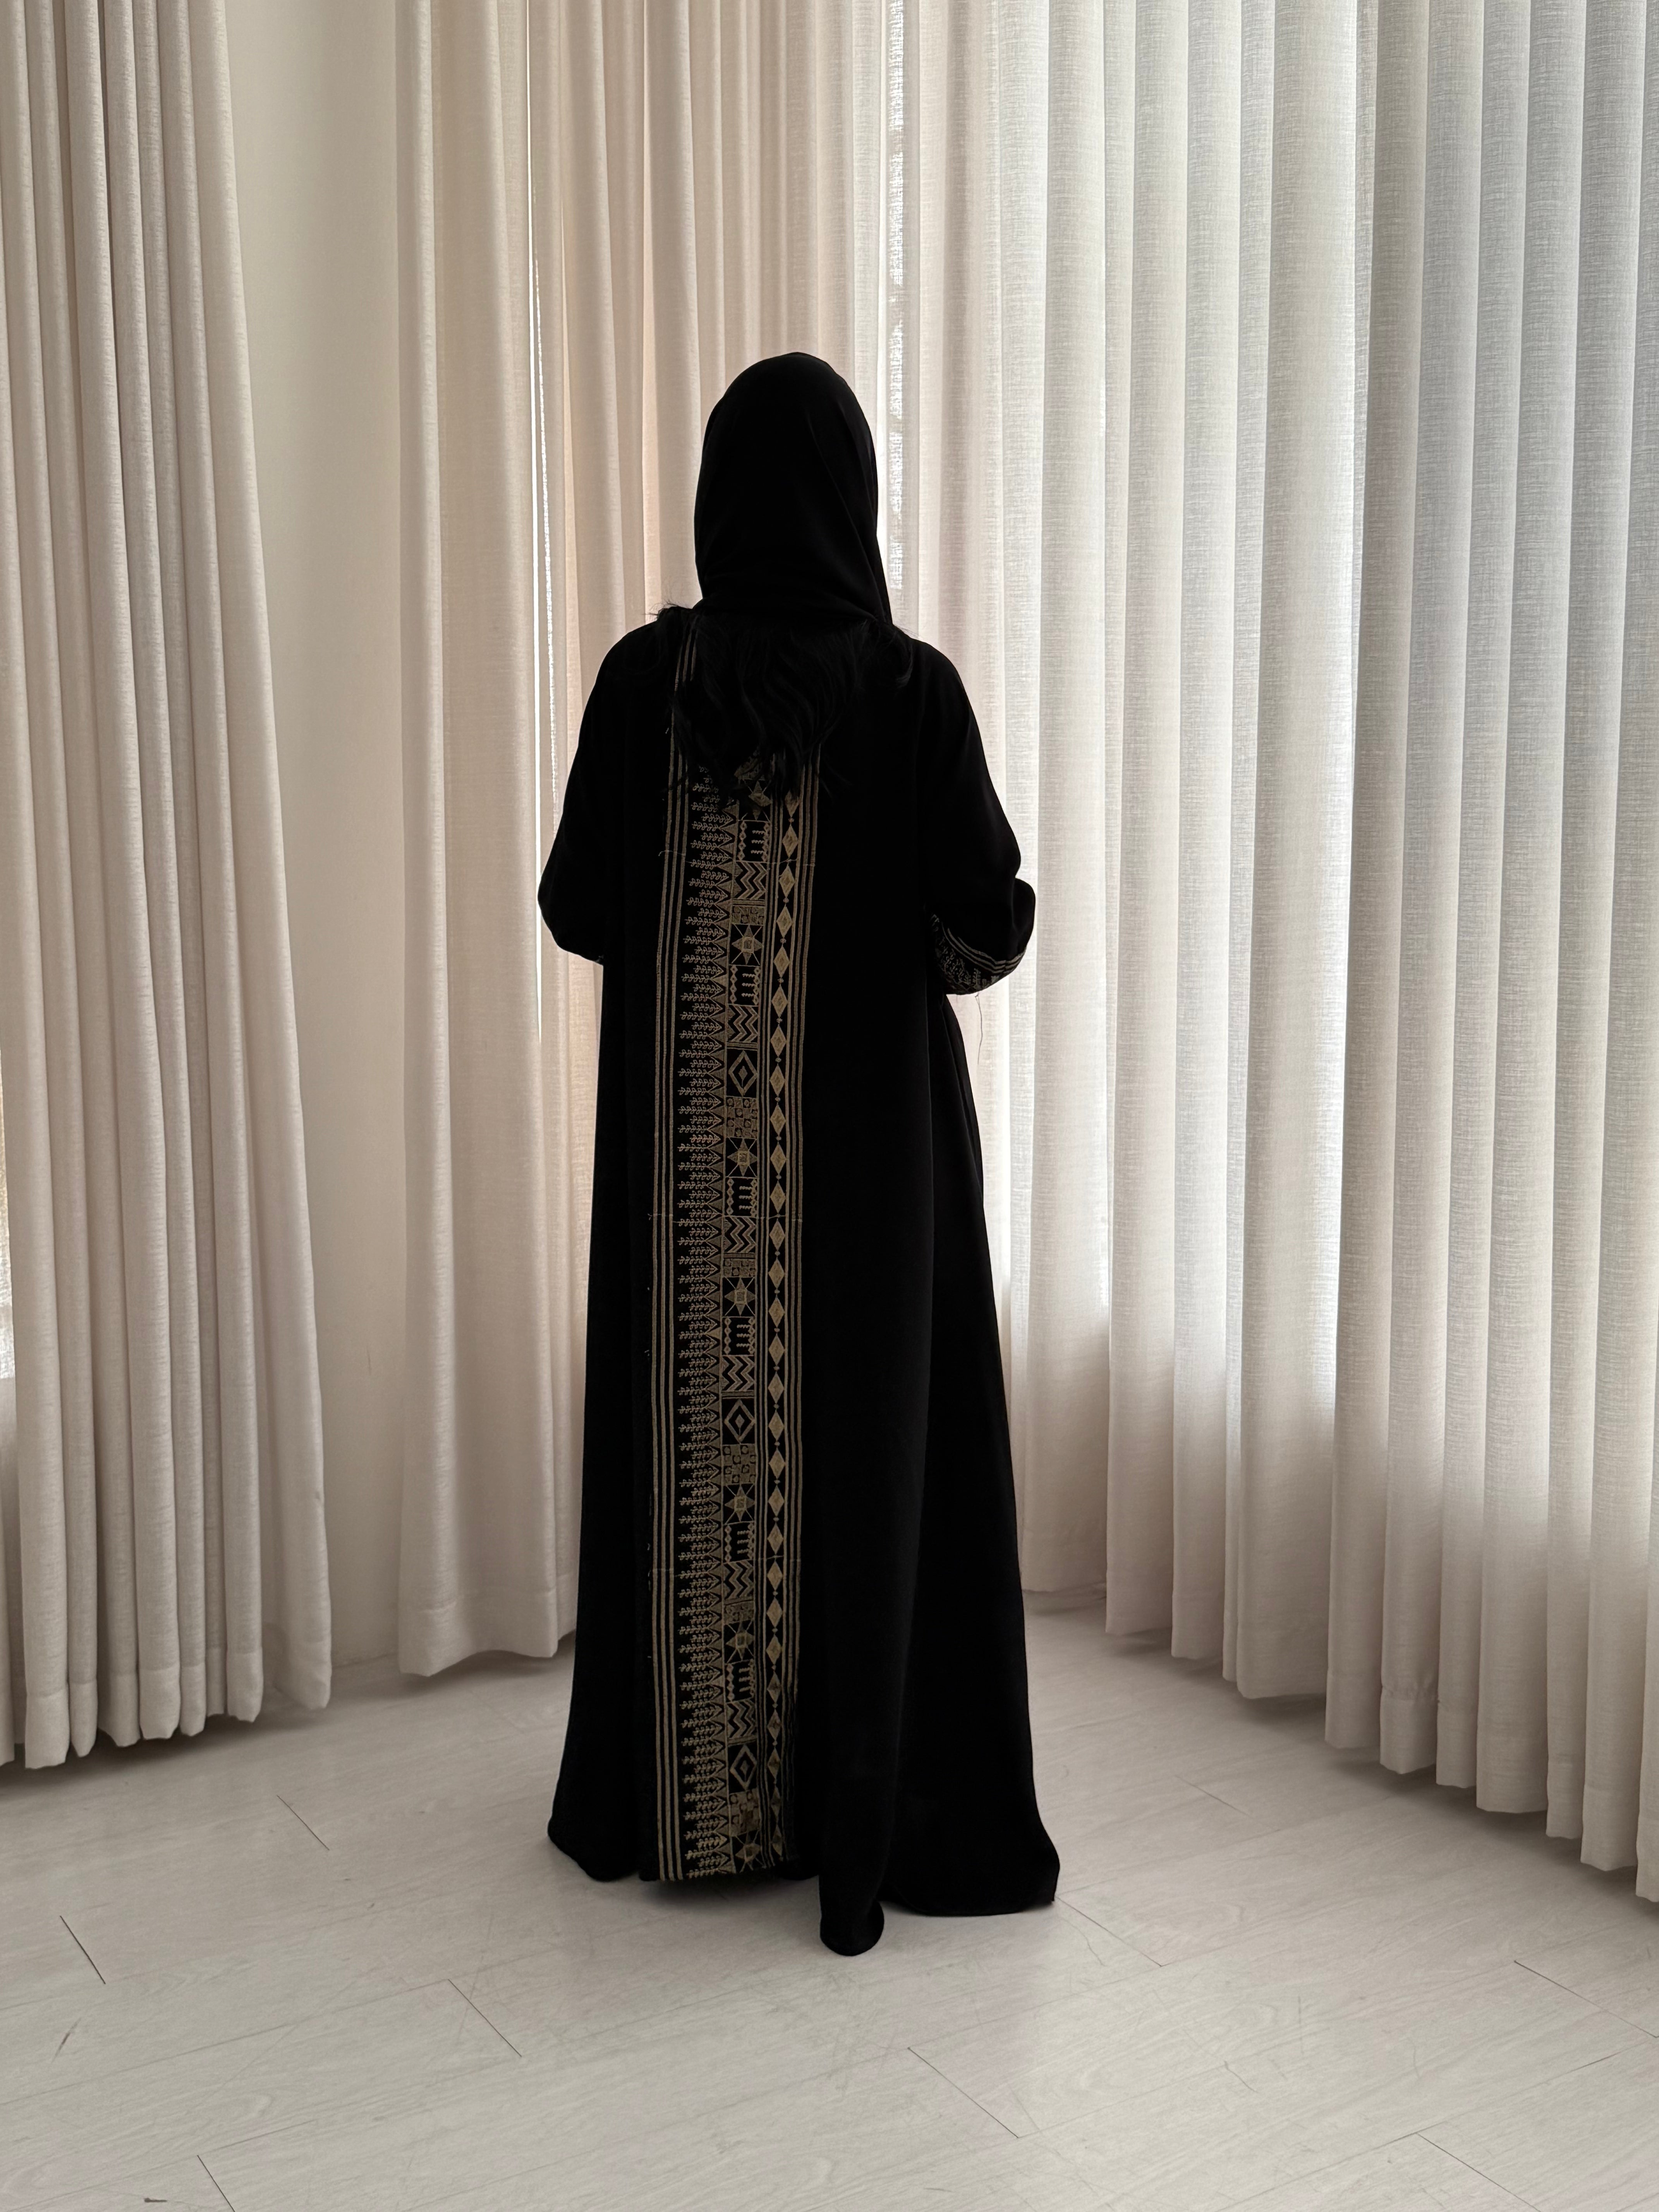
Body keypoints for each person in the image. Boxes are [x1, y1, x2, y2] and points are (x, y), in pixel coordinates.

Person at [539, 350, 1058, 1956]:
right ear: (855, 499)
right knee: (876, 1446)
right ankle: (866, 1801)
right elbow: (985, 928)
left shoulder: (647, 684)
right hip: (881, 1178)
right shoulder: (909, 693)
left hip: (684, 1186)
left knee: (694, 1440)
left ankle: (685, 1796)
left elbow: (576, 908)